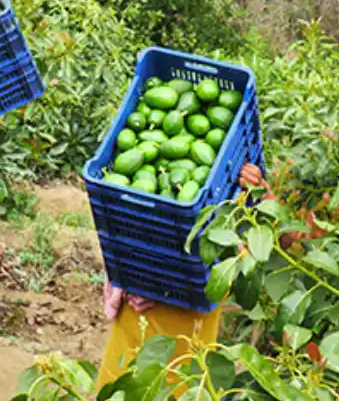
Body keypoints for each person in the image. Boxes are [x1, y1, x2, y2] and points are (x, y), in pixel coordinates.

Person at [97, 163, 270, 387]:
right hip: (136, 342)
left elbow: (276, 240)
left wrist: (261, 192)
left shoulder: (228, 208)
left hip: (188, 356)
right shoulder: (142, 219)